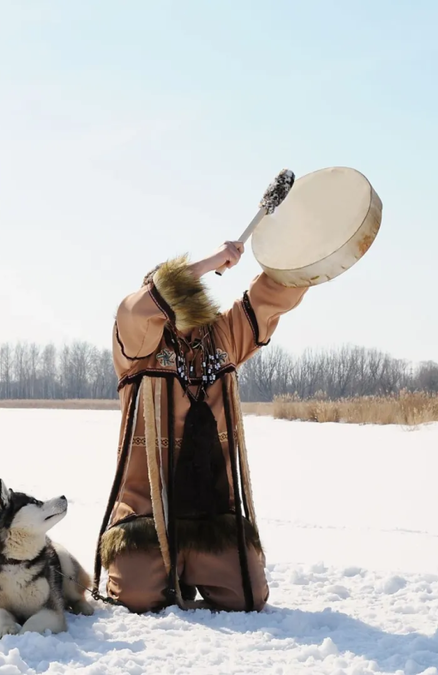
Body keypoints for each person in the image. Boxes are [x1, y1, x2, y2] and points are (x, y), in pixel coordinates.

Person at [92, 241, 308, 612]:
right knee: (139, 598)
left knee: (249, 596)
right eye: (180, 287)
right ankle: (165, 571)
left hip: (211, 513)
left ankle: (188, 569)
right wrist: (209, 262)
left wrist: (305, 251)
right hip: (146, 513)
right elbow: (137, 307)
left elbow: (268, 297)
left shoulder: (221, 337)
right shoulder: (137, 342)